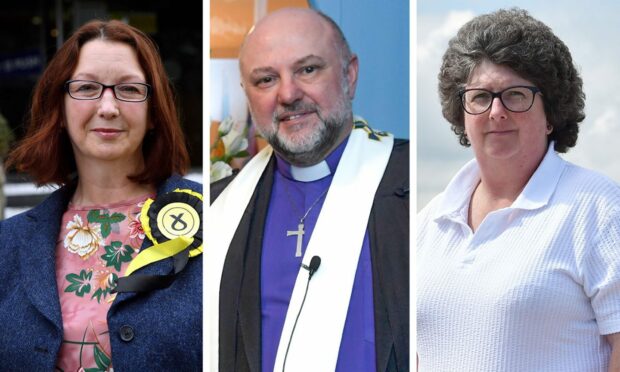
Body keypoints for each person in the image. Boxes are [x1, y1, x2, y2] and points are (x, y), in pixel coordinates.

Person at [417, 8, 620, 371]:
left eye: (515, 94)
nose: (496, 112)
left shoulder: (599, 208)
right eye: (480, 97)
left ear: (551, 114)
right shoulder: (427, 225)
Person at [207, 7, 409, 372]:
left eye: (308, 69)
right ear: (247, 96)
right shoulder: (219, 206)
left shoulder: (408, 191)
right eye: (266, 79)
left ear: (350, 74)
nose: (287, 93)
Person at [0, 20, 202, 370]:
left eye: (128, 89)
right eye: (87, 88)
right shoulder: (8, 244)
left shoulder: (211, 217)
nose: (108, 107)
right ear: (59, 109)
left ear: (153, 111)